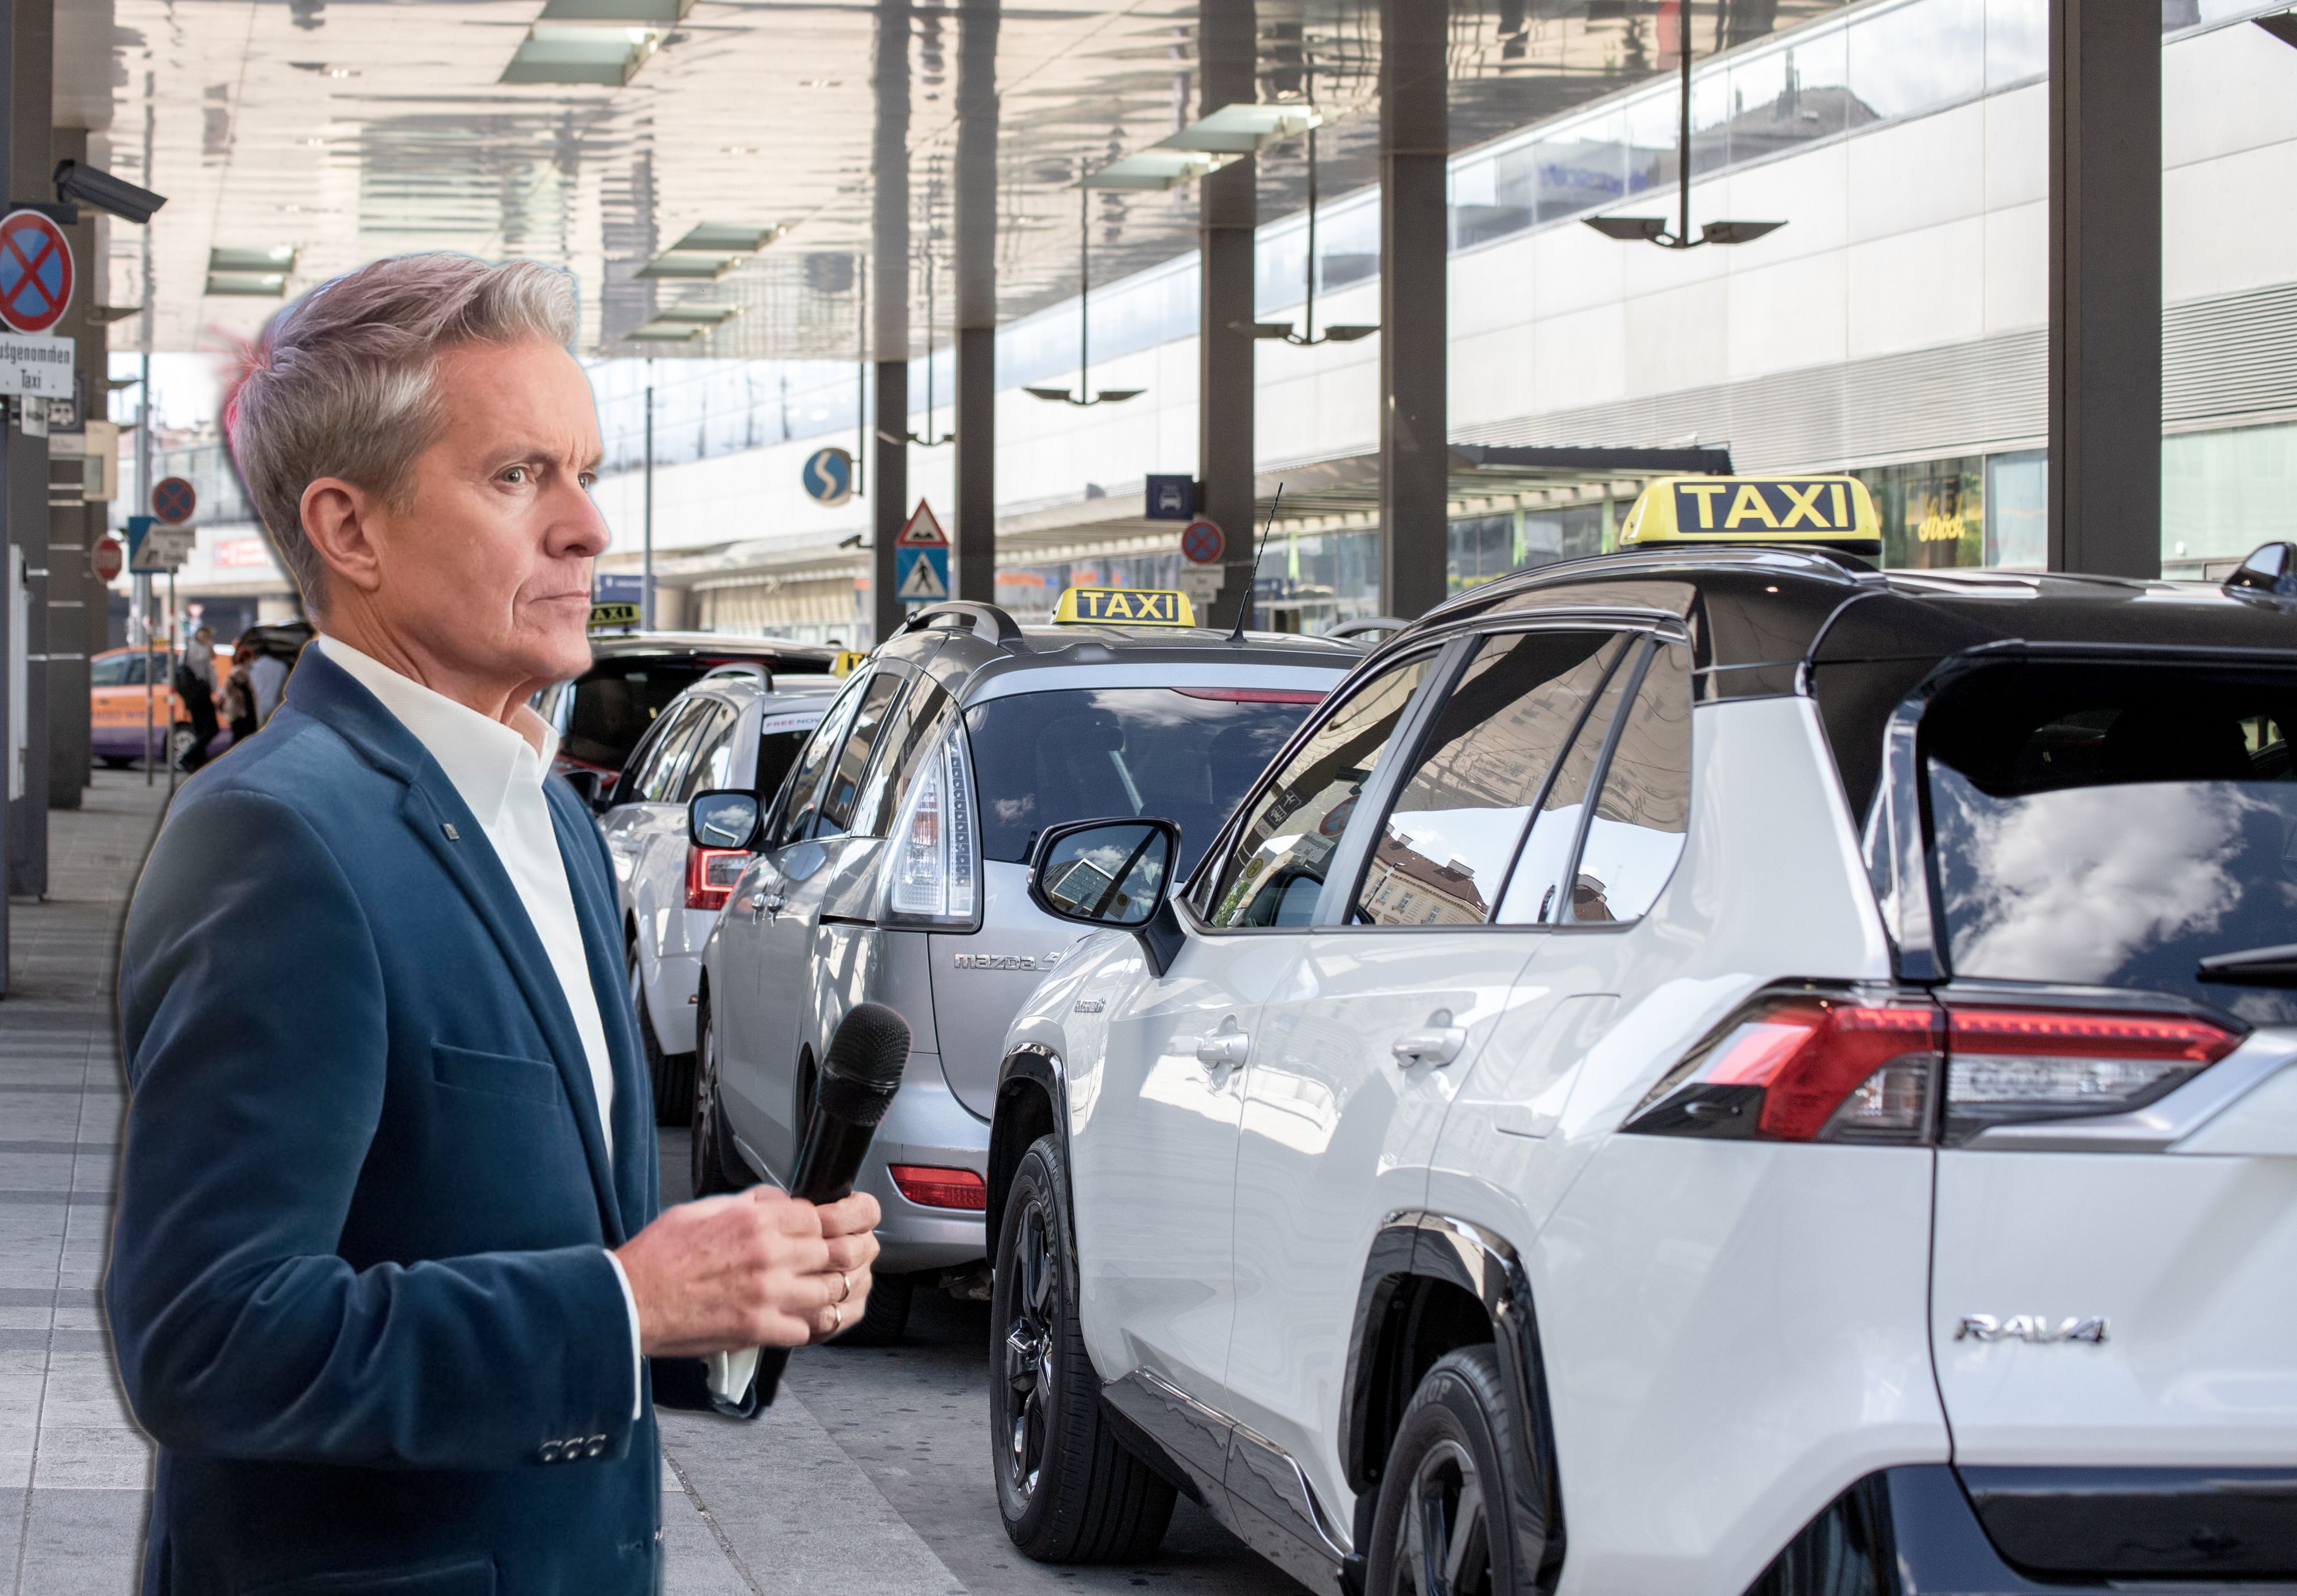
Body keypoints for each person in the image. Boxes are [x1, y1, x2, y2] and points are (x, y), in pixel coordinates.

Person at [107, 253, 881, 1595]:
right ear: (351, 531)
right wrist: (629, 1299)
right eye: (519, 476)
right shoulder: (282, 841)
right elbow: (207, 1338)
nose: (587, 527)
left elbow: (531, 1253)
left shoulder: (554, 823)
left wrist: (722, 1299)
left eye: (584, 471)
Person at [173, 624, 220, 770]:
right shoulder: (195, 648)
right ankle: (188, 757)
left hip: (197, 696)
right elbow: (210, 656)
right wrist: (208, 644)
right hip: (199, 695)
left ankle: (198, 762)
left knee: (201, 730)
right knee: (212, 729)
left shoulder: (196, 648)